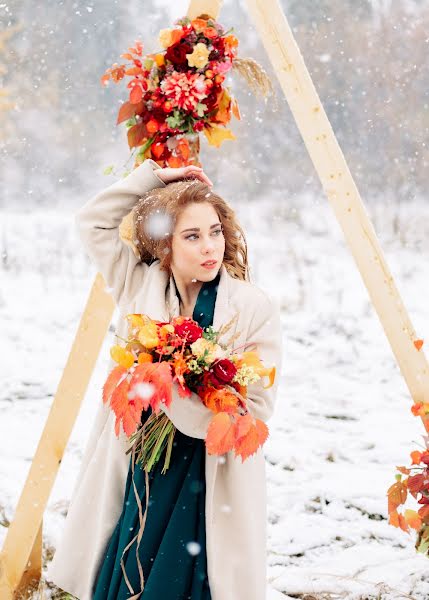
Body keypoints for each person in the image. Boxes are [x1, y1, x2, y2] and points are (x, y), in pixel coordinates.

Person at [46, 158, 283, 600]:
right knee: (129, 562)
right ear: (166, 245)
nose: (209, 247)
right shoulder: (141, 285)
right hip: (141, 462)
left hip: (208, 473)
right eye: (191, 236)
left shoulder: (252, 307)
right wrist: (155, 178)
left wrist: (184, 391)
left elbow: (259, 407)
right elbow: (93, 222)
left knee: (191, 577)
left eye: (215, 231)